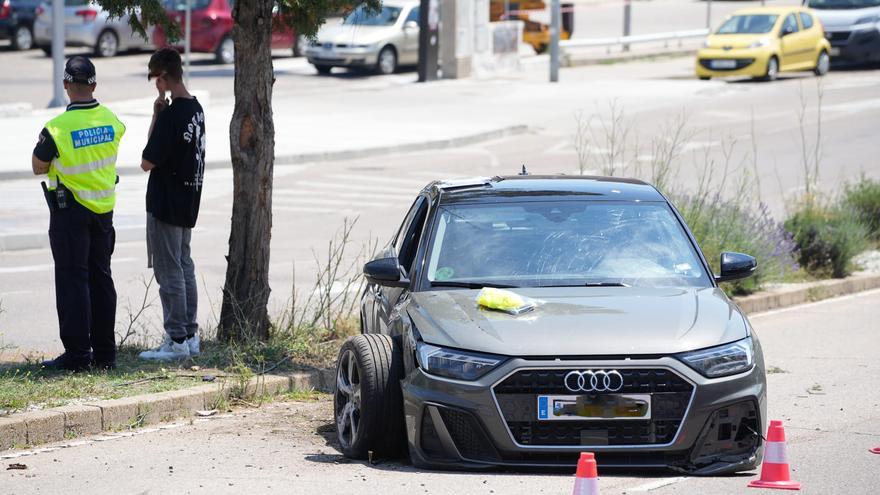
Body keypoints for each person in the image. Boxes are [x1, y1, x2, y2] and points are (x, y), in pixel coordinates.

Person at [32, 56, 125, 371]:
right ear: (94, 85)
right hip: (104, 211)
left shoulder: (57, 128)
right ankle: (105, 355)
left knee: (73, 281)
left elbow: (37, 165)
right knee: (101, 280)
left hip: (69, 212)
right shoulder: (112, 120)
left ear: (66, 86)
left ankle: (77, 356)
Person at [138, 48, 206, 361]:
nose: (155, 85)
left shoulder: (172, 115)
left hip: (166, 202)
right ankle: (190, 335)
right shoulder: (196, 109)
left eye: (155, 79)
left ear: (164, 77)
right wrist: (157, 114)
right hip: (188, 198)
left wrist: (157, 117)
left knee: (169, 271)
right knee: (184, 265)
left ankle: (176, 339)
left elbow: (147, 160)